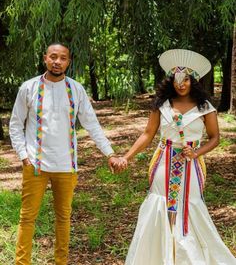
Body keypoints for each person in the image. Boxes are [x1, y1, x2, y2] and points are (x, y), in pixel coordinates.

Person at [112, 49, 236, 265]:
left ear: (193, 80)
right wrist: (127, 157)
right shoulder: (162, 105)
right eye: (177, 80)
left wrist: (196, 152)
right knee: (161, 204)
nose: (181, 84)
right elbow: (148, 134)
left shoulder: (205, 108)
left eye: (186, 79)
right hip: (164, 161)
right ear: (171, 81)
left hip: (191, 165)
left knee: (189, 204)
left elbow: (215, 138)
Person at [9, 43, 118, 265]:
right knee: (27, 218)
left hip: (67, 167)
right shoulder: (28, 88)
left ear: (68, 62)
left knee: (63, 218)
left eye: (63, 58)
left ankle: (61, 262)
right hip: (35, 166)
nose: (57, 62)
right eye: (53, 57)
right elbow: (15, 124)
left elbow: (92, 124)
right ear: (45, 59)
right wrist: (23, 155)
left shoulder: (76, 89)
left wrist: (110, 153)